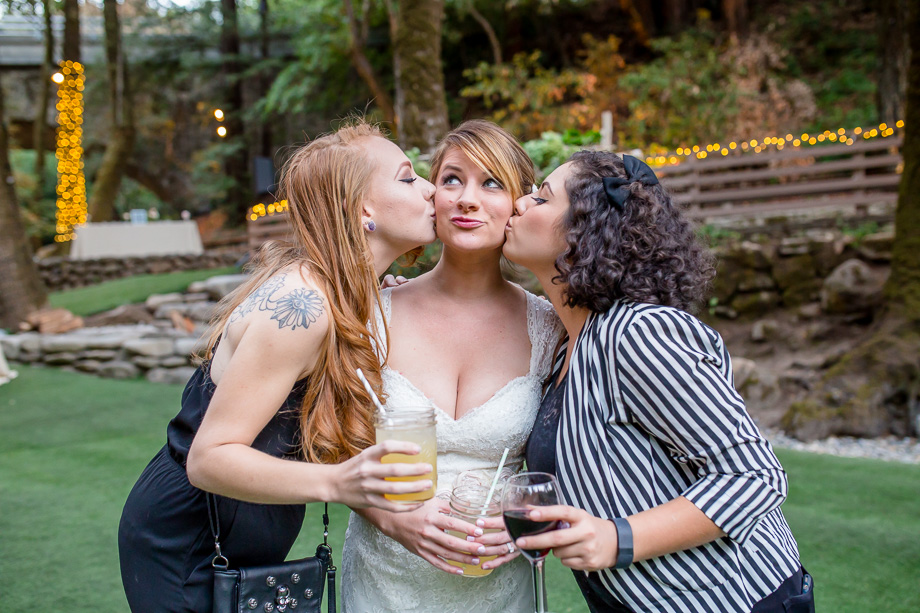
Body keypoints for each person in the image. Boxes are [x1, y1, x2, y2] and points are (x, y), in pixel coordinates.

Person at [118, 121, 440, 612]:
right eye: (407, 177)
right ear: (362, 210)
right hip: (191, 540)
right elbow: (208, 458)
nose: (431, 188)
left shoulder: (345, 292)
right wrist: (337, 482)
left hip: (244, 527)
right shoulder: (302, 306)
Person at [501, 151, 812, 613]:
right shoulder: (567, 343)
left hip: (733, 600)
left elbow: (755, 475)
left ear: (584, 231)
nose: (520, 203)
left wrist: (617, 538)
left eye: (542, 198)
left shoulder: (637, 333)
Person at [341, 120, 563, 612]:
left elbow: (571, 454)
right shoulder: (372, 311)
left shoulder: (550, 328)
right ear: (430, 196)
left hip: (497, 584)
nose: (466, 199)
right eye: (451, 179)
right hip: (384, 579)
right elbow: (333, 444)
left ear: (518, 206)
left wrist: (526, 520)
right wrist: (393, 520)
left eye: (491, 183)